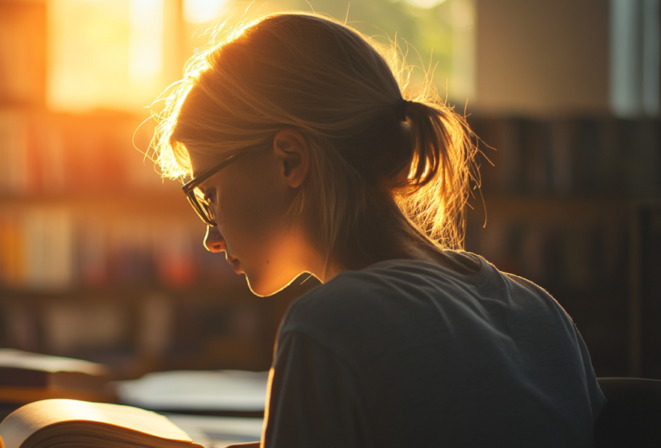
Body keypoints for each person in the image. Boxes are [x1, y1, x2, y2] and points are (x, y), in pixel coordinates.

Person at [150, 12, 605, 448]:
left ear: (289, 159)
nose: (211, 237)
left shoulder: (328, 329)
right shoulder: (540, 312)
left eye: (209, 194)